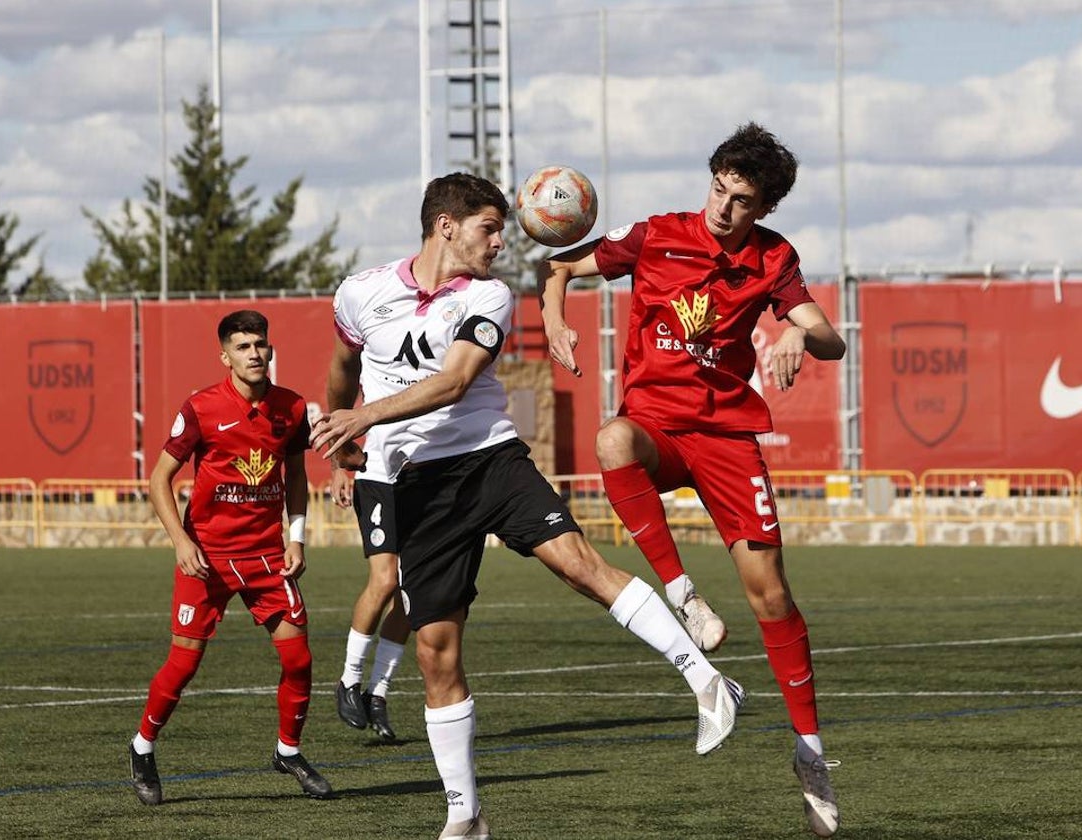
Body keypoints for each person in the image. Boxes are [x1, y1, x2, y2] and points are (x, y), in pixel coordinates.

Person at [310, 172, 745, 840]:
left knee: (578, 564)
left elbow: (455, 382)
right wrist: (348, 440)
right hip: (417, 487)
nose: (499, 244)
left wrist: (361, 415)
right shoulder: (361, 291)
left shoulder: (490, 295)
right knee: (435, 651)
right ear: (445, 226)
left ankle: (706, 681)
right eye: (490, 229)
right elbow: (344, 362)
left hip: (490, 461)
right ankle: (465, 815)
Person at [537, 122, 845, 838]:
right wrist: (556, 321)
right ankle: (683, 597)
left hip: (728, 437)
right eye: (718, 188)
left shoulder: (773, 259)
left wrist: (800, 332)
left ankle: (811, 754)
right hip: (658, 429)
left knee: (770, 593)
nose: (723, 207)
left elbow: (828, 334)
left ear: (764, 208)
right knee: (611, 438)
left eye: (741, 199)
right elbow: (560, 267)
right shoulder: (654, 236)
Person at [127, 309, 332, 805]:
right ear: (225, 356)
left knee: (299, 659)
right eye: (243, 347)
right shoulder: (200, 408)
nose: (255, 353)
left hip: (266, 558)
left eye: (260, 344)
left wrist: (297, 536)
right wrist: (181, 541)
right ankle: (142, 746)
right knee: (183, 664)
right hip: (208, 559)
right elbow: (158, 480)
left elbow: (298, 476)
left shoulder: (293, 408)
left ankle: (288, 751)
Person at [328, 430, 409, 741]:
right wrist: (338, 467)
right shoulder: (373, 378)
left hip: (423, 482)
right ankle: (350, 680)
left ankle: (377, 694)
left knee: (410, 591)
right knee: (386, 578)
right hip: (377, 476)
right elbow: (341, 405)